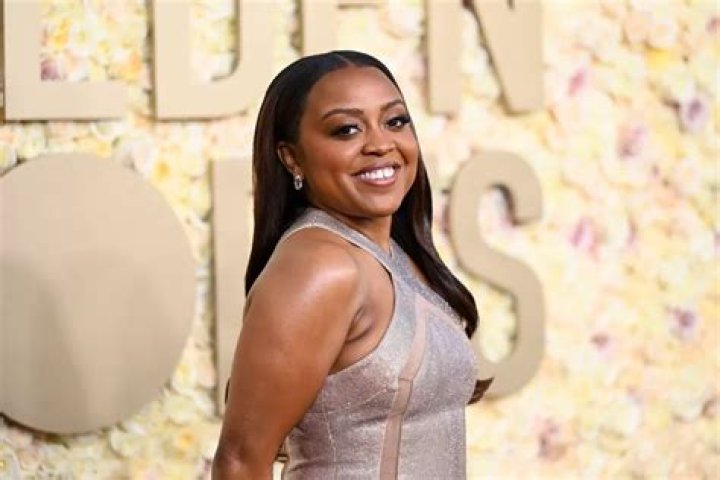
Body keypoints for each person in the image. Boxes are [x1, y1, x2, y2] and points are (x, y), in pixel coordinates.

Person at [212, 50, 492, 479]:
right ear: (291, 158)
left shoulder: (395, 254)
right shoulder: (322, 266)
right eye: (346, 129)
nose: (380, 144)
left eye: (395, 121)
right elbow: (240, 461)